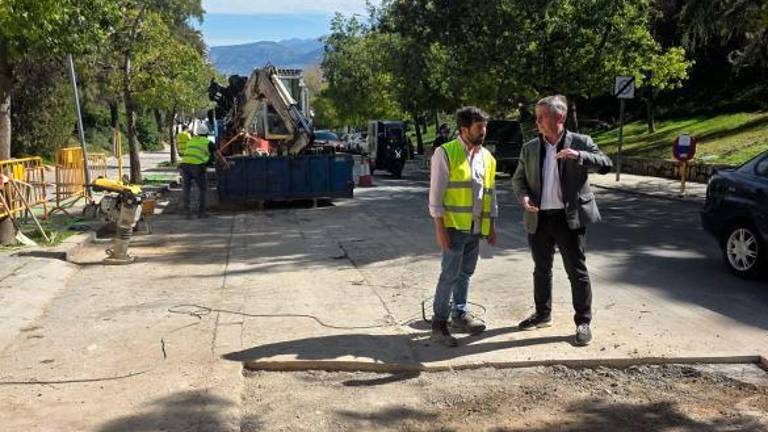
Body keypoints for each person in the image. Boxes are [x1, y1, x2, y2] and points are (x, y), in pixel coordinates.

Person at [511, 95, 612, 346]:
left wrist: (579, 155)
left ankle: (583, 323)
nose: (537, 121)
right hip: (539, 218)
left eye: (542, 116)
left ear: (560, 117)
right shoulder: (530, 147)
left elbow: (606, 164)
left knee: (576, 271)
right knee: (541, 269)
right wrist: (524, 198)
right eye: (537, 116)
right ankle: (542, 314)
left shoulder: (581, 142)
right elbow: (518, 179)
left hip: (570, 218)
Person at [428, 107, 498, 347]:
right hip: (454, 228)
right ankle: (439, 324)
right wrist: (440, 228)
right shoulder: (445, 153)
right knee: (449, 275)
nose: (484, 132)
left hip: (476, 228)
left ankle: (460, 314)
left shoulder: (487, 157)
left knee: (465, 274)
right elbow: (436, 196)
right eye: (479, 128)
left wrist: (492, 226)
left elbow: (490, 193)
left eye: (485, 127)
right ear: (464, 129)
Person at [178, 128, 211, 219]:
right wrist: (225, 163)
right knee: (202, 189)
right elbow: (217, 154)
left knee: (186, 189)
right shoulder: (207, 141)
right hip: (197, 166)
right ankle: (201, 213)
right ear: (206, 134)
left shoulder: (191, 141)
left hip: (184, 165)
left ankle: (187, 213)